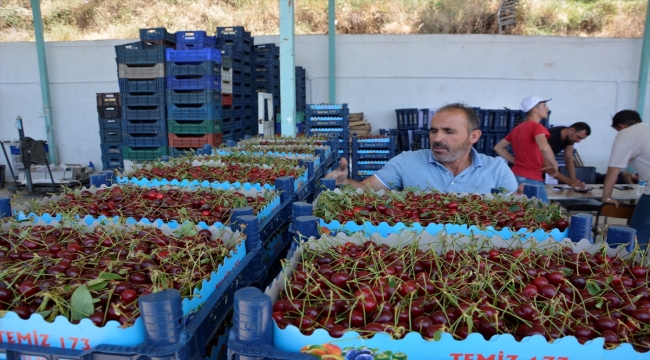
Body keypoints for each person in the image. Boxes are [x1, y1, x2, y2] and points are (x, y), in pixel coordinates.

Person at [325, 103, 519, 194]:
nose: (437, 138)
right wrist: (343, 182)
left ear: (473, 136)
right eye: (433, 131)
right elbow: (365, 189)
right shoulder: (406, 162)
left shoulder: (497, 170)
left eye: (449, 131)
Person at [493, 96, 560, 203]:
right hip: (531, 178)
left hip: (515, 176)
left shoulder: (518, 128)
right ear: (535, 110)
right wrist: (554, 164)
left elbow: (498, 147)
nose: (547, 108)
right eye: (544, 106)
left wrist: (516, 161)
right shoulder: (537, 127)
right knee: (544, 213)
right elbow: (544, 147)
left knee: (521, 212)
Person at [601, 110, 650, 248]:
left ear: (621, 126)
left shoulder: (627, 133)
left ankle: (635, 268)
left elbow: (613, 169)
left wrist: (607, 198)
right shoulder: (647, 129)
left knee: (637, 235)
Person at [547, 122, 591, 188]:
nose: (578, 141)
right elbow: (546, 165)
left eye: (581, 139)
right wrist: (568, 181)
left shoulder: (570, 138)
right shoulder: (550, 136)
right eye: (578, 137)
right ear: (571, 130)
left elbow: (568, 158)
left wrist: (574, 181)